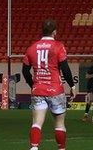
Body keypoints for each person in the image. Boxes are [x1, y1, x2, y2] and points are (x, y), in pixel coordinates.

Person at [23, 19, 78, 150]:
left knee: (36, 123)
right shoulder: (58, 46)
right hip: (55, 90)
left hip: (38, 90)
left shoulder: (31, 48)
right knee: (59, 123)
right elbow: (65, 68)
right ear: (54, 32)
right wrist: (72, 86)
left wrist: (33, 85)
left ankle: (34, 147)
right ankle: (61, 148)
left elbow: (25, 71)